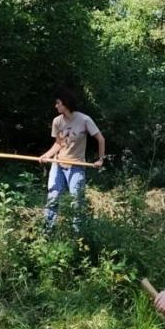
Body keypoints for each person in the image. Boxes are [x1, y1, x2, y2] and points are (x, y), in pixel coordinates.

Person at [38, 88, 105, 232]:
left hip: (76, 165)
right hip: (58, 164)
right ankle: (47, 232)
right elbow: (58, 143)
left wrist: (100, 159)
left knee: (77, 202)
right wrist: (47, 155)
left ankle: (78, 237)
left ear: (66, 104)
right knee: (53, 196)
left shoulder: (84, 120)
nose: (56, 106)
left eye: (58, 103)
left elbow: (100, 139)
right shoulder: (57, 121)